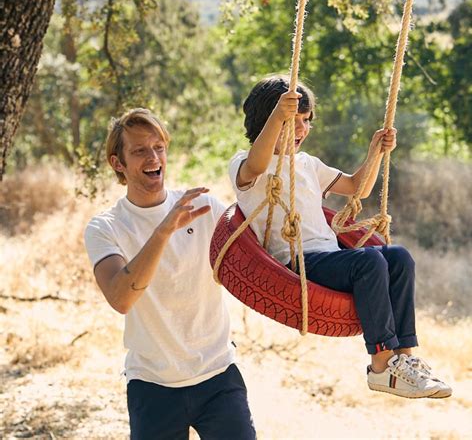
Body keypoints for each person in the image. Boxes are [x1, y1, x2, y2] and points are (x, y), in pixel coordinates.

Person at [229, 75, 452, 399]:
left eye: (307, 121)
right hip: (298, 262)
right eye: (295, 120)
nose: (302, 130)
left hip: (330, 257)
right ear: (267, 119)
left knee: (400, 257)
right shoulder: (245, 163)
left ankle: (405, 360)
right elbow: (257, 164)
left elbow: (356, 188)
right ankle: (380, 365)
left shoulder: (307, 164)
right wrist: (279, 116)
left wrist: (375, 152)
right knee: (369, 263)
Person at [84, 108, 256, 440]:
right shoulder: (105, 228)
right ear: (117, 162)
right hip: (152, 385)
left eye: (158, 146)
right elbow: (121, 298)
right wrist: (163, 231)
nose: (153, 157)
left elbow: (257, 256)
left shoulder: (204, 207)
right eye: (139, 151)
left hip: (218, 375)